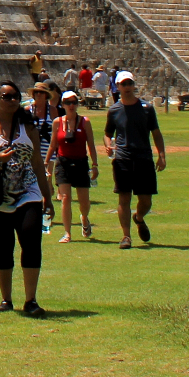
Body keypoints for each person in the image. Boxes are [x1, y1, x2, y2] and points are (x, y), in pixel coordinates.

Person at [0, 82, 49, 315]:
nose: (12, 100)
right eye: (7, 96)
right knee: (3, 246)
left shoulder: (28, 126)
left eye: (15, 96)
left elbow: (37, 163)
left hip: (28, 191)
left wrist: (47, 197)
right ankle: (6, 299)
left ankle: (31, 300)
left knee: (31, 241)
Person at [104, 72, 165, 249]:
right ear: (118, 87)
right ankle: (126, 236)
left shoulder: (146, 108)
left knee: (146, 201)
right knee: (124, 198)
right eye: (123, 84)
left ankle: (138, 217)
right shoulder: (114, 110)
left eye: (130, 83)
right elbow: (108, 135)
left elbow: (156, 133)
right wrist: (109, 146)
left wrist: (161, 156)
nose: (127, 87)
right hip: (123, 158)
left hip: (144, 158)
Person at [52, 91, 99, 241]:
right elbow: (54, 144)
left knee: (84, 201)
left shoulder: (85, 122)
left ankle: (84, 218)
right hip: (63, 162)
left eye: (74, 102)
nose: (71, 105)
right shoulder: (57, 122)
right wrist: (47, 163)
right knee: (65, 198)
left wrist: (95, 164)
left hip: (80, 163)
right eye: (68, 102)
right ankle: (67, 233)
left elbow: (91, 144)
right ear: (63, 104)